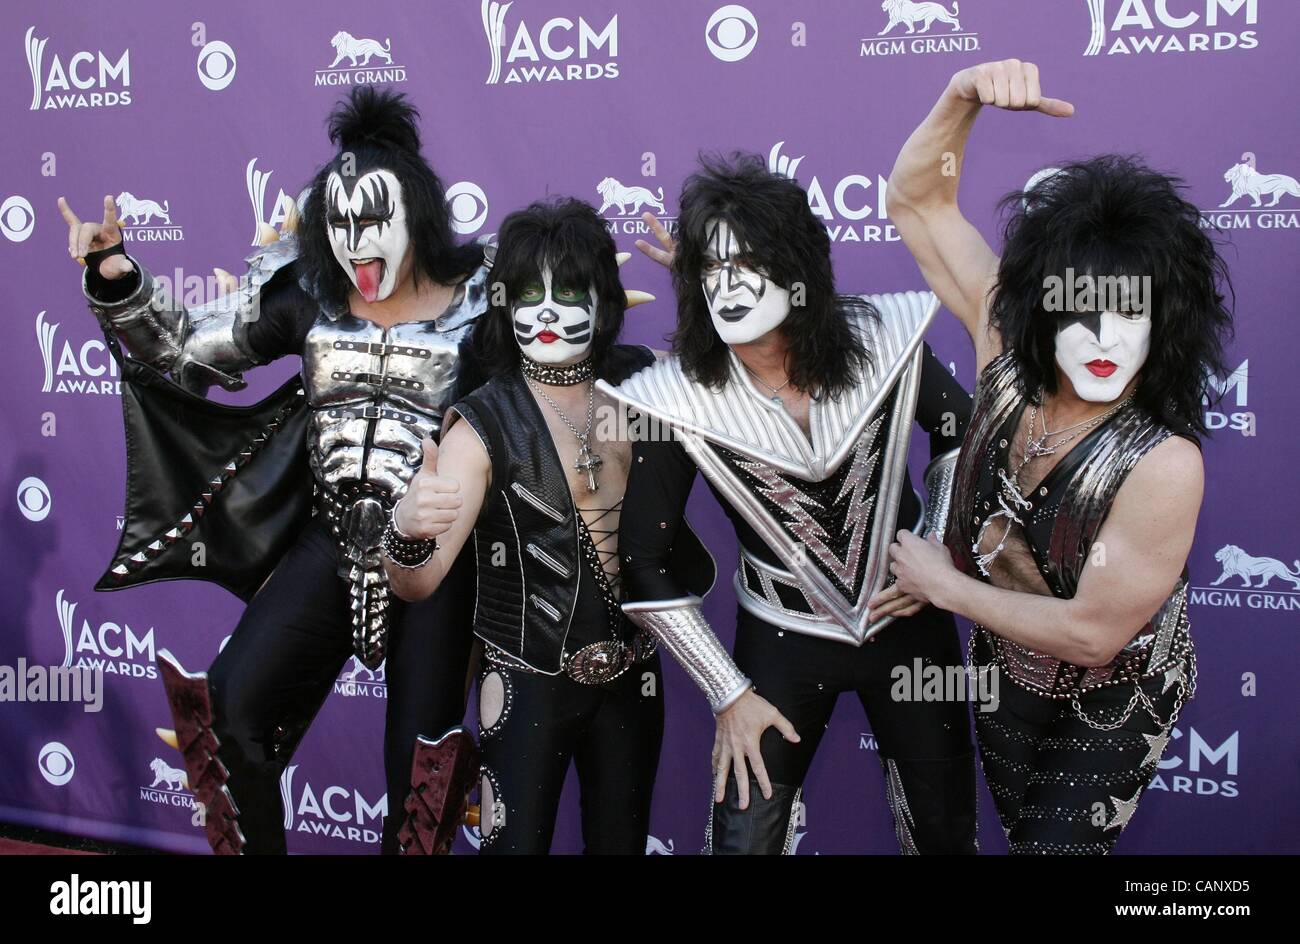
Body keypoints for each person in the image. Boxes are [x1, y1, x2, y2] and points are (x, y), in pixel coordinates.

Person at [60, 87, 488, 854]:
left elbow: (555, 395)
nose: (359, 243)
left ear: (417, 216)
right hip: (331, 541)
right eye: (342, 224)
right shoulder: (307, 297)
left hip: (437, 560)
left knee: (424, 776)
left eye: (375, 222)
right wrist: (118, 277)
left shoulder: (482, 307)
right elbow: (186, 349)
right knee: (226, 715)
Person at [881, 59, 1233, 853]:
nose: (1105, 340)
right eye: (1081, 311)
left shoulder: (1164, 461)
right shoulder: (1003, 343)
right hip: (1007, 671)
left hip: (1115, 694)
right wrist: (958, 101)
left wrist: (943, 584)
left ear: (1164, 322)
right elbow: (916, 200)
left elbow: (1091, 636)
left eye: (1129, 314)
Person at [602, 154, 978, 854]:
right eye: (710, 270)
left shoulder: (880, 342)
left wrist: (939, 543)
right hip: (777, 641)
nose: (728, 286)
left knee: (946, 832)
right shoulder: (675, 397)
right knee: (744, 842)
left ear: (797, 268)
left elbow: (963, 436)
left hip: (909, 629)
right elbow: (645, 560)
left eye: (748, 262)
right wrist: (728, 693)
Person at [385, 198, 709, 853]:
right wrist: (406, 529)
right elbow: (418, 585)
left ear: (603, 299)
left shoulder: (648, 388)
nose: (551, 310)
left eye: (571, 289)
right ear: (506, 305)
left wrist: (701, 287)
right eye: (531, 292)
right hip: (526, 685)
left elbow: (744, 381)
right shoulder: (480, 424)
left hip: (635, 678)